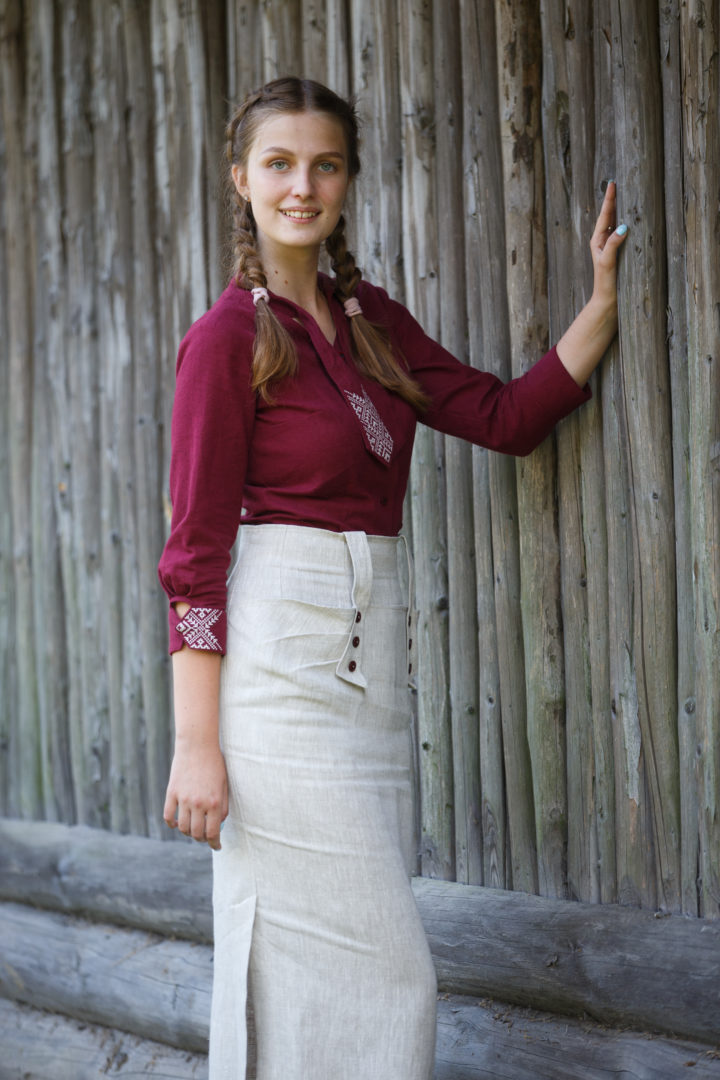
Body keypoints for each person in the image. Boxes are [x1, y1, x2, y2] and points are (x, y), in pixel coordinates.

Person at [158, 76, 627, 1080]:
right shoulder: (226, 340)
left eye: (324, 165)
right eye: (279, 164)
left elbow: (503, 418)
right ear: (241, 180)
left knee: (326, 974)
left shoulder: (370, 319)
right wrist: (197, 746)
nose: (302, 186)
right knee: (389, 970)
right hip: (278, 689)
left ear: (347, 180)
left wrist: (601, 306)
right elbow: (193, 559)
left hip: (372, 686)